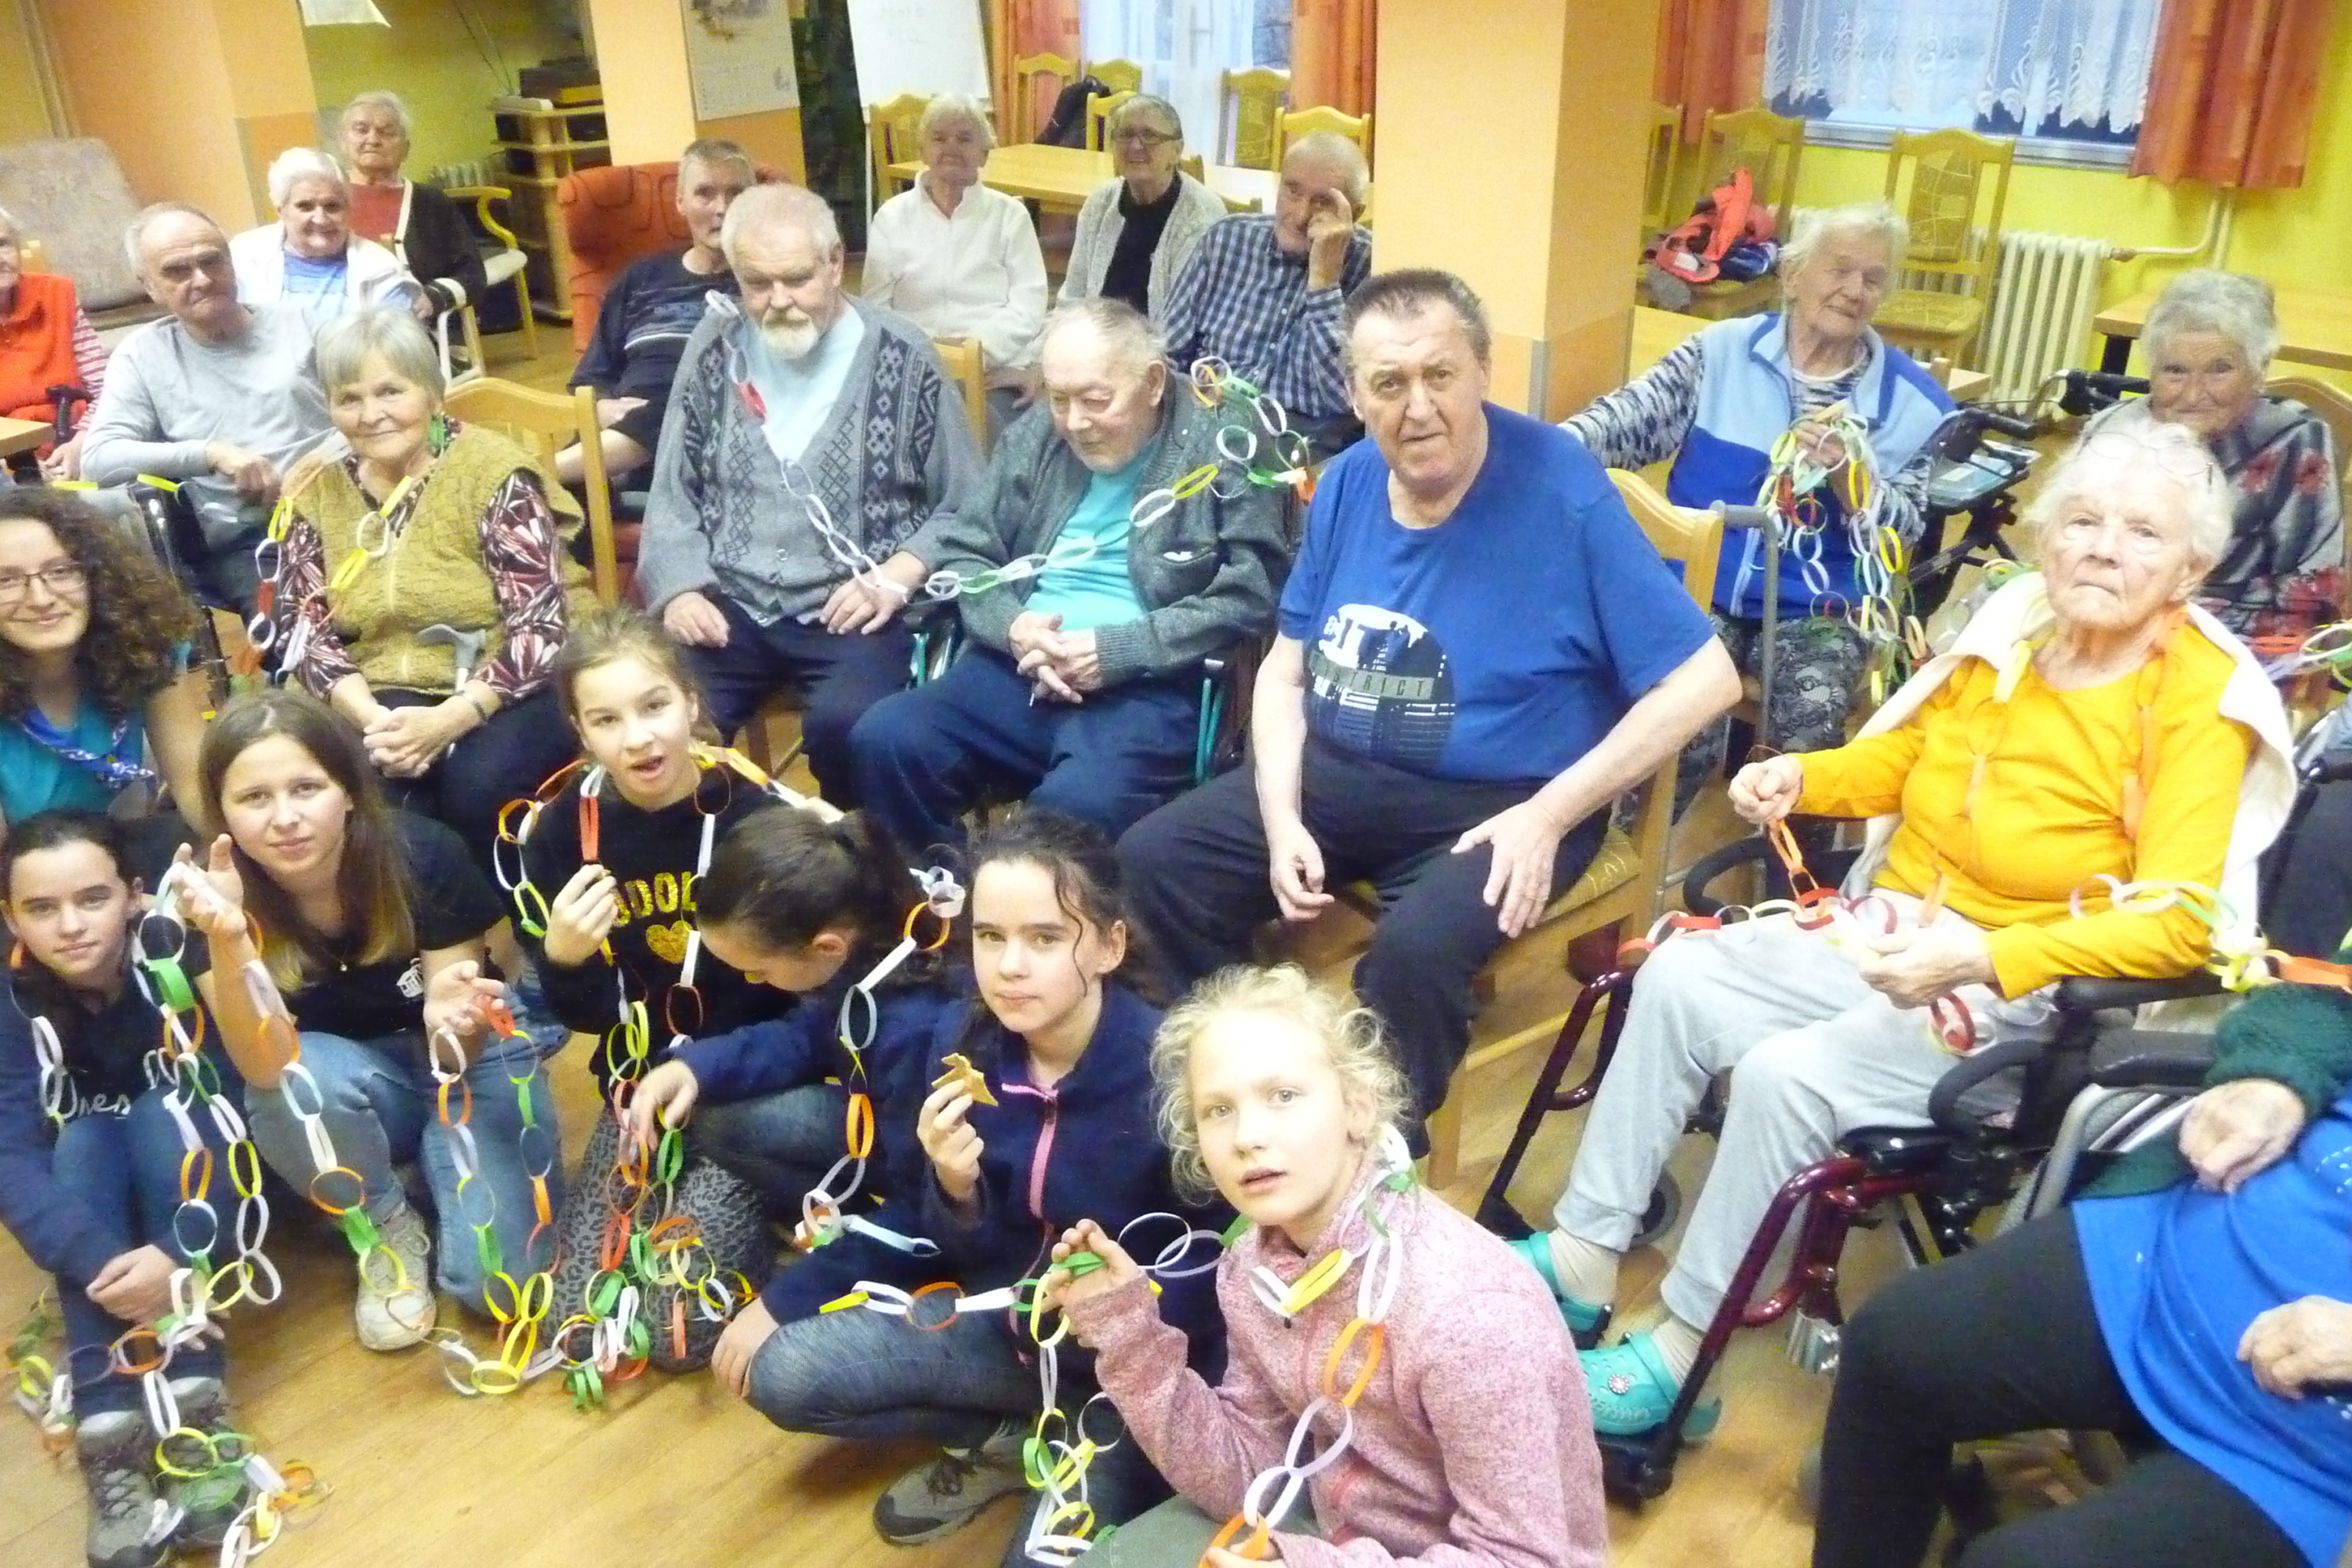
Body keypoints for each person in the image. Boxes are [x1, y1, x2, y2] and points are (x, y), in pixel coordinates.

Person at [1510, 419, 2297, 1437]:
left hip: (2017, 992)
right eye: (2084, 521)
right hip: (1888, 928)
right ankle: (1585, 1254)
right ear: (2047, 536)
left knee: (1788, 1076)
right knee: (1677, 978)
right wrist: (1802, 776)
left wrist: (1988, 955)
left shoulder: (2196, 699)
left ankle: (1683, 1354)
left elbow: (2182, 923)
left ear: (2190, 568)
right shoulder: (2017, 629)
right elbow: (1908, 760)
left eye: (2143, 533)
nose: (2104, 548)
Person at [1120, 269, 1737, 1131]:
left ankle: (1380, 1167)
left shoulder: (1561, 486)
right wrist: (1282, 816)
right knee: (1152, 862)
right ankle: (1247, 1084)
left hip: (1504, 804)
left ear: (1482, 371)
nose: (1418, 408)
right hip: (1339, 775)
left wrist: (1549, 815)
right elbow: (1286, 672)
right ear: (1355, 394)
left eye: (1439, 375)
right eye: (1389, 383)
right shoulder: (1345, 482)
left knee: (1411, 958)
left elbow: (1708, 679)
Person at [699, 811, 1227, 1560]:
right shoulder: (961, 1042)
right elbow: (949, 1243)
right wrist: (956, 1188)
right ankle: (1007, 1437)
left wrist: (1124, 1312)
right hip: (1007, 1338)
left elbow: (1226, 1281)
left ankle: (1102, 1459)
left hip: (1131, 1381)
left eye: (1045, 938)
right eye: (989, 936)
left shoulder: (1180, 1079)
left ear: (1110, 945)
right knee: (782, 1372)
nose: (1010, 966)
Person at [1044, 964, 1608, 1568]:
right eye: (1218, 1110)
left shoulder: (1469, 1317)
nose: (1247, 1136)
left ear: (1358, 1106)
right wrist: (1128, 1334)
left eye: (1283, 1096)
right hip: (1340, 1532)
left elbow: (1525, 1560)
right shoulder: (1254, 1269)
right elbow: (1248, 1477)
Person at [1813, 956, 2352, 1568]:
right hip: (2173, 1248)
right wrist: (2275, 1076)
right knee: (1896, 1345)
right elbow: (2322, 999)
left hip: (2308, 1440)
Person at [177, 687, 561, 1352]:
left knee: (502, 1288)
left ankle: (432, 1171)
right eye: (254, 798)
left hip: (461, 1060)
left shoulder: (422, 853)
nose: (285, 819)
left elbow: (458, 1052)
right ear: (223, 814)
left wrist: (455, 1019)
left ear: (350, 792)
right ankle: (386, 1222)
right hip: (344, 1079)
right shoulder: (209, 897)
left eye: (306, 788)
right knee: (296, 1081)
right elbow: (265, 1069)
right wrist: (229, 938)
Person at [851, 298, 1287, 855]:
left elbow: (1253, 591)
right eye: (1060, 399)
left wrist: (1120, 650)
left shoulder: (1227, 439)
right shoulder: (1039, 433)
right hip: (1018, 665)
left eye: (1096, 400)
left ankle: (1031, 908)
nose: (1075, 422)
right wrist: (1013, 627)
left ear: (1153, 383)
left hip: (1149, 686)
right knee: (886, 739)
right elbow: (966, 550)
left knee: (1077, 807)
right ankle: (942, 894)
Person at [505, 607, 814, 1367]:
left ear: (691, 702)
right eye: (607, 719)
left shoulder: (755, 816)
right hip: (639, 1089)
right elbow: (590, 1018)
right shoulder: (561, 834)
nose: (638, 738)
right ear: (580, 732)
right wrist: (564, 958)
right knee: (577, 1324)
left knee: (678, 1332)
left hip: (745, 1089)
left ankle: (769, 1223)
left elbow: (811, 1003)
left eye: (654, 706)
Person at [1563, 200, 1956, 777]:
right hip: (1699, 586)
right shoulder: (1720, 352)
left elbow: (1906, 532)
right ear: (1793, 274)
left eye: (1873, 279)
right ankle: (1639, 832)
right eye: (1840, 269)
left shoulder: (1913, 404)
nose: (1855, 290)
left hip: (1821, 608)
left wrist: (1856, 482)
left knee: (1807, 739)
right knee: (1674, 718)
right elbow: (1627, 422)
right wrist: (1541, 451)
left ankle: (1787, 837)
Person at [639, 182, 984, 805]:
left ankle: (847, 855)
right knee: (656, 720)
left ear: (835, 262)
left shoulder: (905, 356)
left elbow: (969, 505)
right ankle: (717, 852)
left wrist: (900, 572)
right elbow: (671, 491)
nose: (779, 301)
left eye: (797, 280)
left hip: (859, 608)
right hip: (728, 602)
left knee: (849, 729)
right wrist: (681, 586)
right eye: (757, 284)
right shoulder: (714, 344)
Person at [0, 811, 263, 1568]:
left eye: (93, 898)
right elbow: (11, 1157)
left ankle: (194, 1397)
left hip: (202, 1196)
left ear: (135, 894)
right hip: (97, 1215)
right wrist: (102, 1264)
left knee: (165, 1109)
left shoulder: (180, 958)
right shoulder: (11, 1005)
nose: (70, 926)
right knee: (82, 1140)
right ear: (11, 918)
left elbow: (240, 1105)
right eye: (42, 908)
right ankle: (107, 1426)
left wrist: (180, 1256)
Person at [270, 307, 589, 866]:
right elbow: (303, 629)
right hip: (374, 689)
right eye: (349, 399)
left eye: (391, 392)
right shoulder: (314, 487)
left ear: (432, 393)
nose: (372, 415)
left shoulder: (491, 472)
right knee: (368, 797)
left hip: (504, 683)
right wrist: (375, 723)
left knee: (479, 787)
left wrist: (450, 719)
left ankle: (520, 913)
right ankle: (426, 921)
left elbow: (540, 629)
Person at [624, 803, 957, 1225]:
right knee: (718, 1124)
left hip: (933, 1164)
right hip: (892, 1122)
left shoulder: (915, 1026)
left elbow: (926, 1181)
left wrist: (851, 1254)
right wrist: (693, 1068)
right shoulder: (868, 936)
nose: (751, 981)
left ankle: (867, 1237)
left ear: (826, 947)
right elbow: (807, 1036)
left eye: (759, 971)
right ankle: (845, 1222)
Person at [79, 203, 333, 618]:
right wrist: (210, 454)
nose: (201, 279)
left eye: (211, 261)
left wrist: (318, 469)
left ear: (231, 262)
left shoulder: (307, 325)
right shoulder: (144, 357)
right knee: (293, 628)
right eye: (177, 271)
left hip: (343, 511)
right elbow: (98, 458)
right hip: (252, 541)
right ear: (149, 286)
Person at [2085, 269, 2345, 646]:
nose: (2193, 395)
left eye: (2219, 370)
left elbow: (2312, 590)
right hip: (2114, 619)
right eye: (2175, 371)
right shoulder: (2110, 432)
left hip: (2237, 635)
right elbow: (2075, 552)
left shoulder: (2295, 442)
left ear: (2259, 369)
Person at [0, 487, 206, 842]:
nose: (41, 599)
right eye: (6, 581)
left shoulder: (142, 647)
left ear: (98, 576)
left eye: (61, 571)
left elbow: (197, 788)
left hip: (114, 846)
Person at [1160, 132, 1374, 458]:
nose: (1301, 216)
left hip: (1300, 453)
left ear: (1354, 213)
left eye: (1322, 203)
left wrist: (1325, 283)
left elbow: (1348, 399)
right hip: (1200, 429)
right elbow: (1167, 353)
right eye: (1292, 191)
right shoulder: (1227, 240)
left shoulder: (1372, 268)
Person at [559, 139, 757, 488]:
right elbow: (588, 379)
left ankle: (538, 471)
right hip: (615, 438)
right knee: (551, 509)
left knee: (683, 403)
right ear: (680, 202)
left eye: (736, 194)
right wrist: (602, 410)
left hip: (710, 439)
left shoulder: (766, 281)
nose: (722, 208)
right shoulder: (641, 278)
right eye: (705, 194)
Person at [862, 93, 1048, 429]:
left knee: (987, 427)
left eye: (964, 139)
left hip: (994, 366)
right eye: (939, 138)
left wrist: (973, 352)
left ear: (984, 153)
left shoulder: (1010, 216)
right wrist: (932, 352)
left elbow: (1029, 305)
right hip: (913, 365)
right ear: (922, 151)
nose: (951, 148)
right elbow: (875, 309)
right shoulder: (891, 218)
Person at [1059, 95, 1231, 324]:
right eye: (1125, 134)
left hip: (1161, 341)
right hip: (1097, 335)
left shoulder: (1200, 215)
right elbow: (1073, 294)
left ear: (1176, 151)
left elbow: (1184, 322)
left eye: (1150, 136)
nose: (1135, 146)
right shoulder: (1100, 202)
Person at [337, 92, 491, 326]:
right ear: (343, 142)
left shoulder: (431, 202)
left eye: (386, 132)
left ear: (406, 148)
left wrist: (434, 297)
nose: (373, 139)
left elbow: (472, 273)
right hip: (341, 328)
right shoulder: (324, 200)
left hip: (414, 329)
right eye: (361, 130)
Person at [229, 147, 421, 335]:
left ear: (349, 209)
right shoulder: (243, 256)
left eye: (332, 206)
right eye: (305, 206)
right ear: (281, 211)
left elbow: (395, 347)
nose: (320, 219)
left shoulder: (380, 268)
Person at [0, 201, 107, 480]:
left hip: (80, 441)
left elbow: (108, 388)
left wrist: (82, 443)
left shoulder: (57, 295)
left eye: (3, 244)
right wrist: (17, 466)